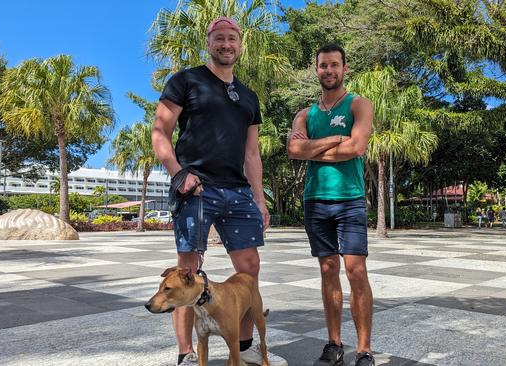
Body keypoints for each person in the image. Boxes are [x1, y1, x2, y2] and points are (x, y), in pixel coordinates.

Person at [151, 16, 287, 366]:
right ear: (209, 42)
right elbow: (160, 132)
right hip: (196, 188)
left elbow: (251, 152)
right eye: (219, 38)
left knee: (249, 268)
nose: (226, 44)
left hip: (237, 192)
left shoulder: (248, 96)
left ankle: (242, 347)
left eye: (232, 39)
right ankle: (185, 353)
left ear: (240, 45)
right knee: (187, 271)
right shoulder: (186, 80)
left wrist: (259, 197)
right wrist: (179, 174)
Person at [287, 44, 375, 366]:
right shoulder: (305, 114)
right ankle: (334, 345)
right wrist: (332, 140)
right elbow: (293, 150)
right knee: (328, 270)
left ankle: (364, 350)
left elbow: (357, 146)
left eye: (334, 65)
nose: (328, 70)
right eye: (323, 65)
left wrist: (313, 148)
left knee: (356, 270)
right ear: (316, 69)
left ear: (344, 68)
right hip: (316, 200)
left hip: (350, 199)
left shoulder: (359, 104)